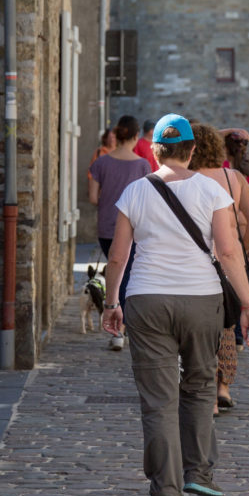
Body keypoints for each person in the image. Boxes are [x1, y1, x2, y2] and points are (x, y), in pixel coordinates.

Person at [101, 114, 249, 496]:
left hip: (147, 300)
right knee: (201, 385)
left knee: (157, 400)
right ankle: (199, 473)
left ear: (154, 150)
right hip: (201, 300)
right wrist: (247, 303)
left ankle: (164, 493)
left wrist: (111, 301)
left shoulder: (135, 191)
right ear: (191, 149)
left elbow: (118, 255)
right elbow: (228, 252)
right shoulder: (212, 191)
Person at [188, 123, 249, 413]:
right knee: (226, 327)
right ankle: (223, 388)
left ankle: (205, 393)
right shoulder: (233, 178)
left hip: (195, 262)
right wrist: (244, 246)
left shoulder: (186, 179)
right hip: (229, 263)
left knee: (199, 329)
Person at [88, 116, 151, 350]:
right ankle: (122, 328)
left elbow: (93, 197)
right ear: (136, 137)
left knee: (118, 272)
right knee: (129, 276)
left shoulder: (101, 163)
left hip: (107, 227)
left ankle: (118, 328)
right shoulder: (143, 165)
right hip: (134, 228)